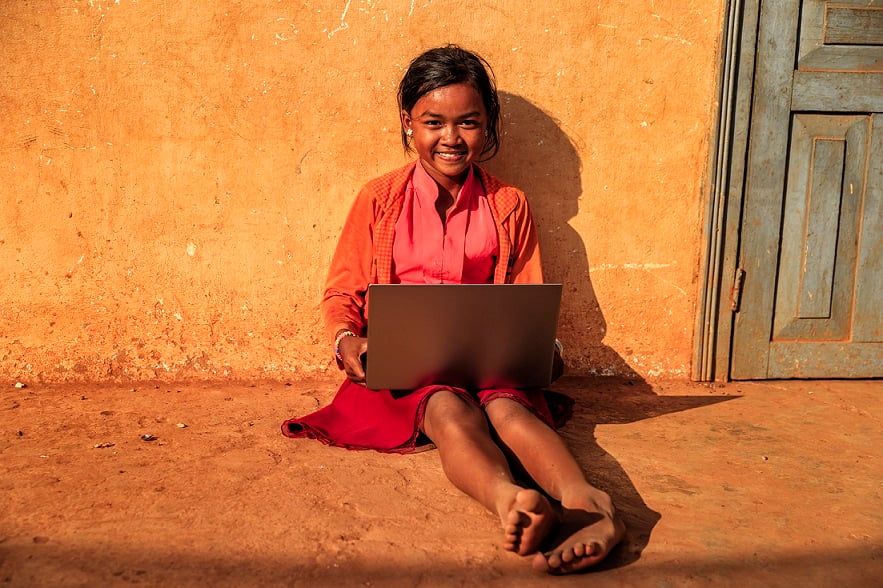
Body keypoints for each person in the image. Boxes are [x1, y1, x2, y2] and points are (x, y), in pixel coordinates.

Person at [282, 44, 624, 574]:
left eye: (468, 122)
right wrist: (347, 341)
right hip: (405, 366)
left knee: (508, 409)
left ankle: (590, 504)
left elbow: (525, 295)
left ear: (487, 125)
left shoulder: (508, 203)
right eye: (433, 122)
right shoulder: (378, 199)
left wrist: (543, 351)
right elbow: (341, 295)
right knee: (446, 409)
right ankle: (511, 500)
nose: (450, 138)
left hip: (486, 361)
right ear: (408, 123)